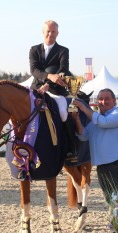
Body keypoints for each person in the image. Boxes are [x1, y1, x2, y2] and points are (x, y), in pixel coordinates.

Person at [71, 88, 118, 204]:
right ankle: (117, 222)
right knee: (110, 199)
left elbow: (104, 123)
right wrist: (77, 119)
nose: (103, 102)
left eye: (107, 99)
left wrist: (84, 108)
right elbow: (83, 136)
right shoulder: (96, 119)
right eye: (100, 99)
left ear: (114, 101)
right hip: (102, 165)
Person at [29, 20, 77, 161]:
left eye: (53, 31)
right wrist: (48, 76)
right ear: (43, 32)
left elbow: (62, 70)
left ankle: (70, 148)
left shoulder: (63, 51)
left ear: (57, 33)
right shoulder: (34, 49)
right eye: (48, 31)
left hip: (56, 90)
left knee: (63, 112)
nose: (50, 34)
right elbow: (34, 70)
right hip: (37, 87)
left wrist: (49, 84)